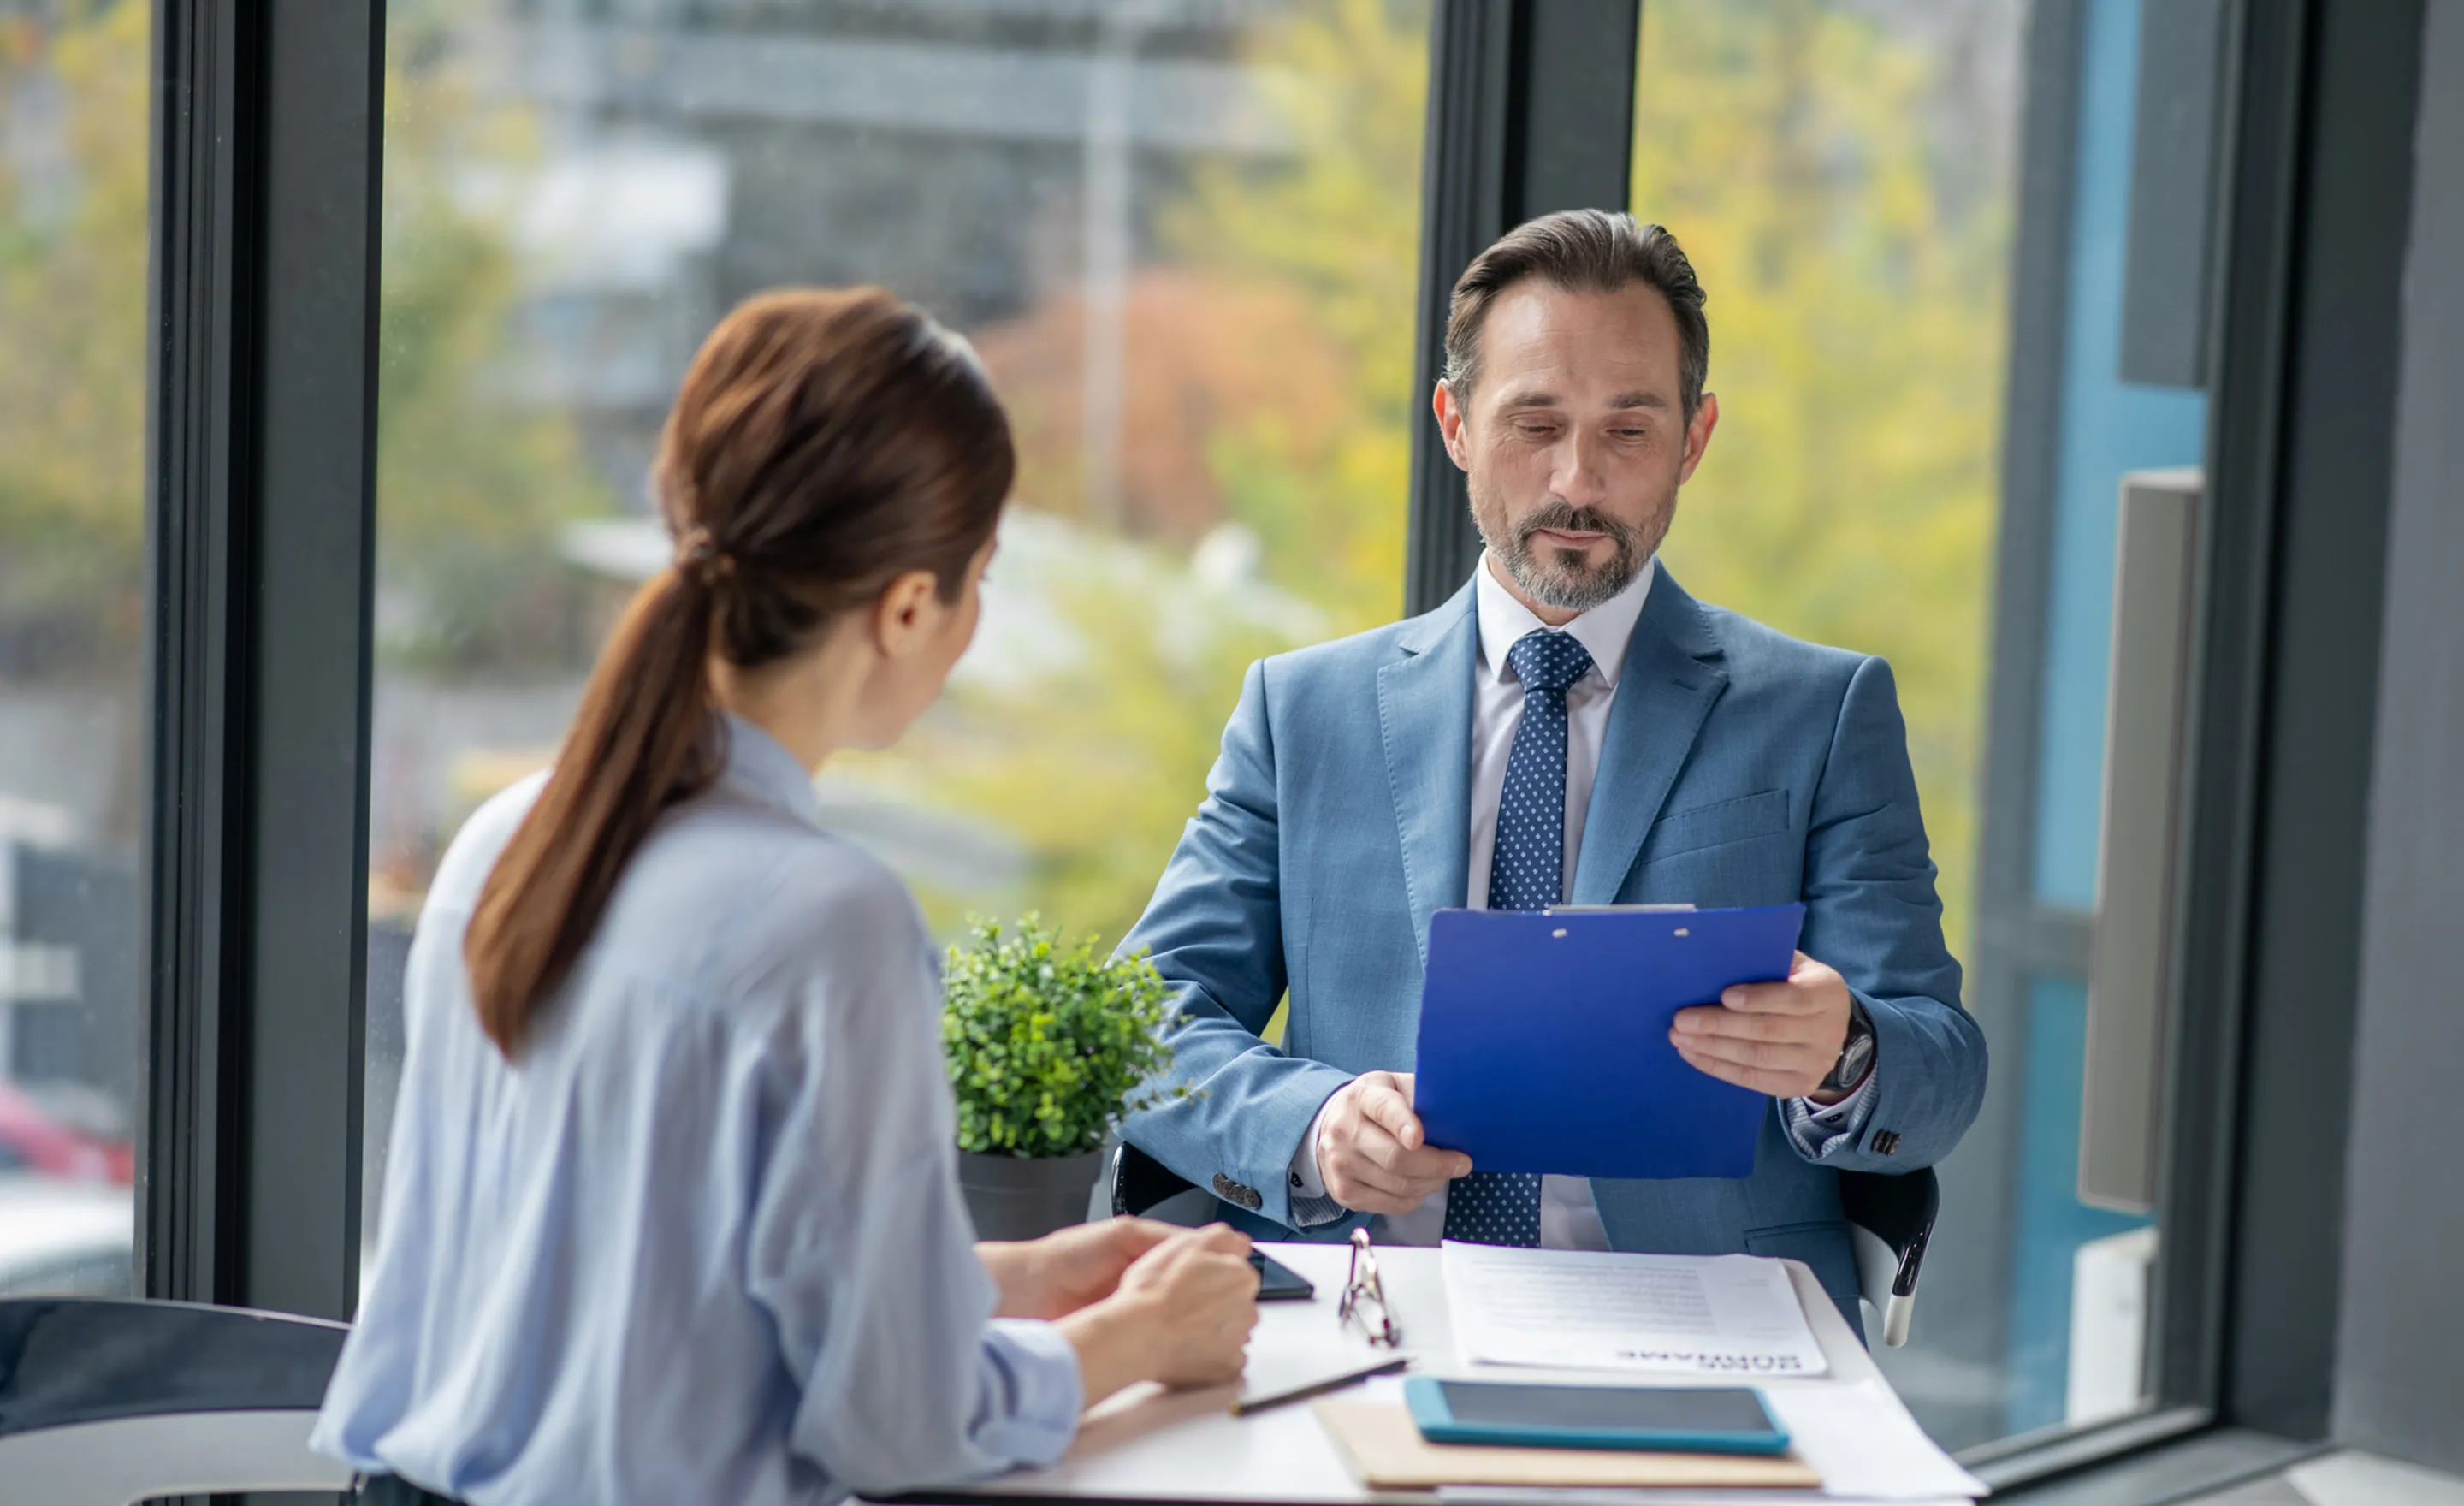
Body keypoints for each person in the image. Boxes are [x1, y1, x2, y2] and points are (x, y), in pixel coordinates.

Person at [314, 288, 1261, 1506]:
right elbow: (897, 1431)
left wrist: (1003, 1277)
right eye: (981, 578)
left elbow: (635, 1290)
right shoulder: (828, 921)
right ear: (910, 606)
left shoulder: (510, 840)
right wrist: (1140, 1341)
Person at [1116, 210, 1987, 1330]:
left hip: (1708, 1318)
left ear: (1694, 438)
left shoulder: (1823, 711)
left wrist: (1849, 1050)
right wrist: (1312, 1123)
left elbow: (1944, 1066)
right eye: (1536, 423)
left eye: (1629, 430)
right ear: (1455, 424)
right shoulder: (1304, 711)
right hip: (1374, 1309)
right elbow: (1143, 1021)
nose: (1578, 481)